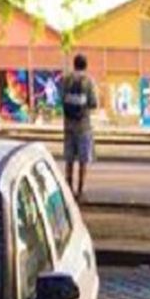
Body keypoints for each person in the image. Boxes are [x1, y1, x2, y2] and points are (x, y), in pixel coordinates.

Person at [60, 54, 99, 201]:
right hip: (83, 127)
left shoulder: (66, 80)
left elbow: (61, 100)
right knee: (83, 160)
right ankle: (80, 191)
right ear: (85, 65)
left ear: (74, 64)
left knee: (69, 159)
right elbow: (93, 103)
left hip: (68, 126)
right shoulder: (88, 81)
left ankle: (68, 188)